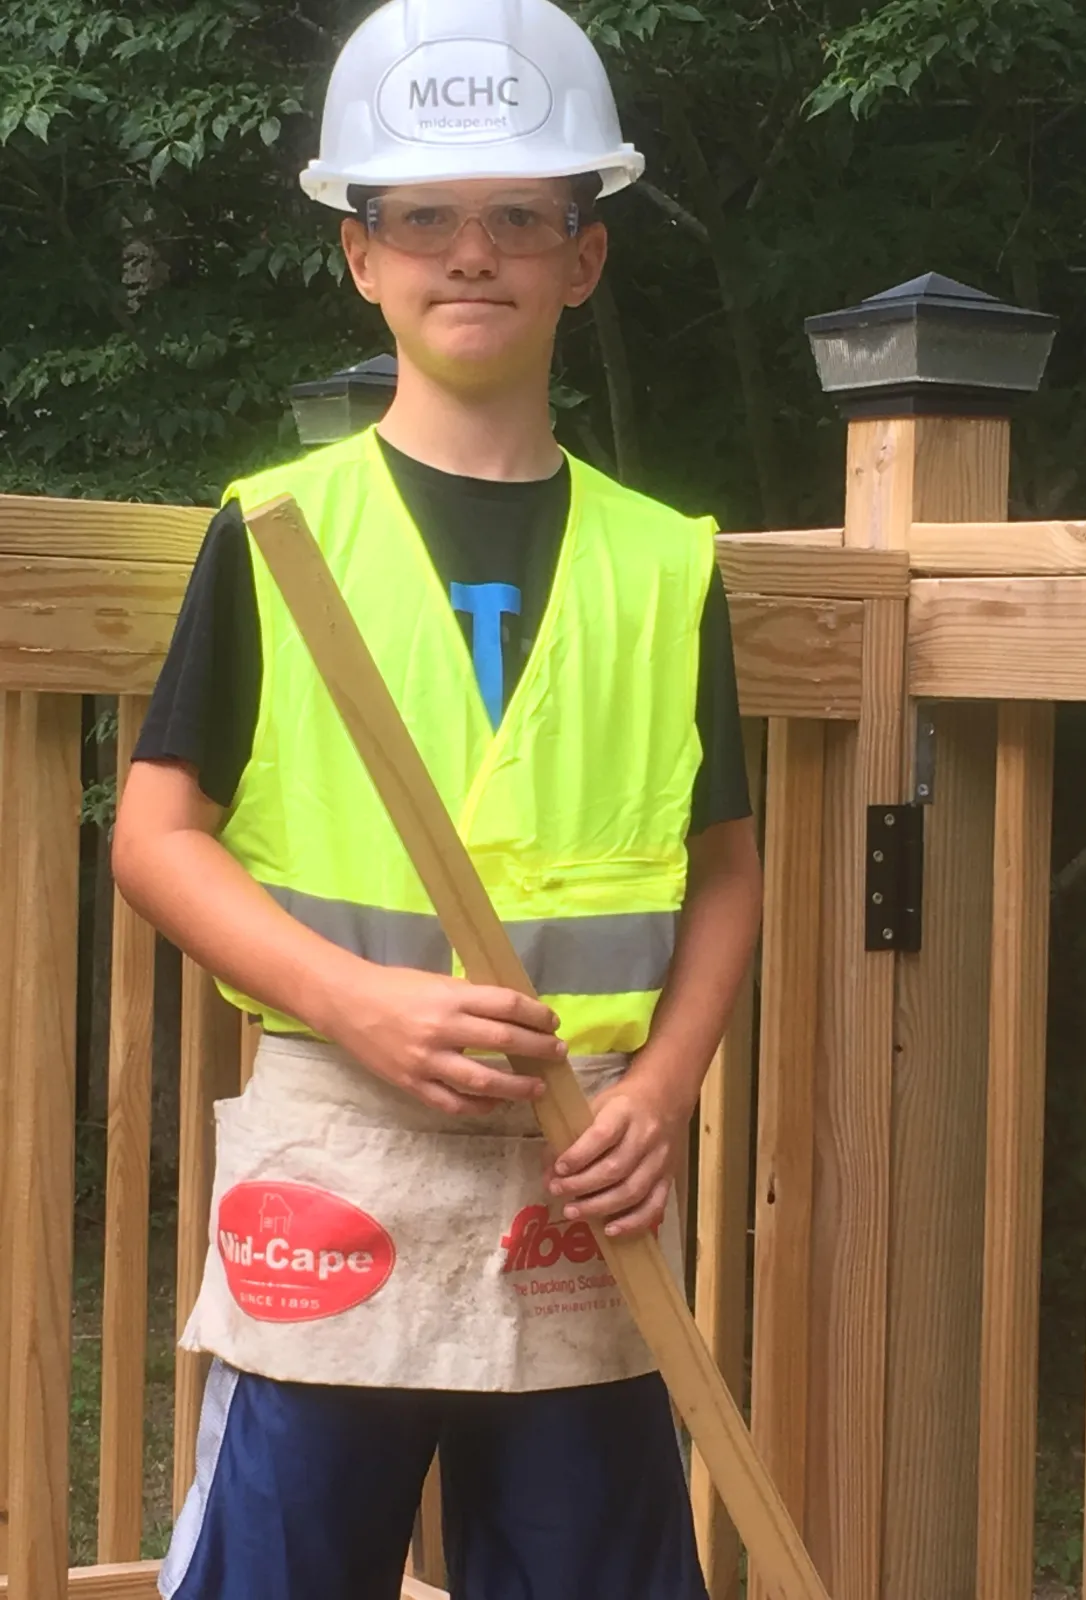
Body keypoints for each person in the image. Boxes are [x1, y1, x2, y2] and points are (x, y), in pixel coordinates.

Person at [112, 2, 762, 1596]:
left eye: (519, 218)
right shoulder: (277, 532)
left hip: (579, 1186)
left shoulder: (663, 563)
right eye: (422, 218)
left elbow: (726, 863)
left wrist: (667, 1089)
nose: (471, 255)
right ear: (362, 254)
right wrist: (359, 1001)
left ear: (581, 258)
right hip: (344, 1163)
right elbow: (153, 832)